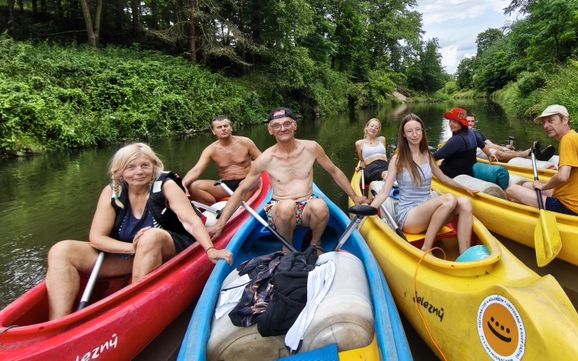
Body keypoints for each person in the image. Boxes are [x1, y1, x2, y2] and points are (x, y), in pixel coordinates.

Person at [44, 143, 232, 320]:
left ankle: (130, 310)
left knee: (150, 236)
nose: (139, 172)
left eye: (145, 165)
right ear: (120, 172)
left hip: (170, 247)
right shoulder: (113, 192)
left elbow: (190, 221)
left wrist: (210, 249)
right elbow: (97, 238)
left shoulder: (166, 185)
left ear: (154, 166)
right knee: (61, 250)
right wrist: (134, 248)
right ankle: (57, 325)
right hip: (130, 253)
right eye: (131, 167)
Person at [208, 107, 370, 252]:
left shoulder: (311, 147)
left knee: (320, 205)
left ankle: (315, 244)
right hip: (280, 208)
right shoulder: (265, 158)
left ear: (295, 125)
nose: (283, 129)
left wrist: (354, 196)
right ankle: (287, 248)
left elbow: (334, 171)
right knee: (287, 206)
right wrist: (221, 224)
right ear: (270, 130)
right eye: (276, 126)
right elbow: (242, 190)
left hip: (307, 205)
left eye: (287, 124)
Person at [370, 114, 475, 255]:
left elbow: (443, 178)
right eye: (410, 131)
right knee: (449, 199)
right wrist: (367, 213)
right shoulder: (397, 159)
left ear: (422, 131)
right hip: (409, 217)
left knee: (465, 203)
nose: (415, 134)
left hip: (429, 214)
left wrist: (465, 188)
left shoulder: (427, 155)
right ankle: (426, 248)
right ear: (404, 134)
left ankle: (465, 254)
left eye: (418, 130)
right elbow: (384, 192)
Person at [506, 105, 578, 217]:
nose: (546, 126)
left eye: (551, 121)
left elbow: (562, 176)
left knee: (512, 191)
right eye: (544, 122)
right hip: (577, 202)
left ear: (565, 120)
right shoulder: (576, 137)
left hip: (571, 208)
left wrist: (543, 186)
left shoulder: (568, 140)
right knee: (526, 185)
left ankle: (531, 218)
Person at [182, 116, 262, 206]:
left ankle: (238, 207)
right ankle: (215, 208)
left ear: (231, 128)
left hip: (246, 180)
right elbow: (196, 170)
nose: (223, 129)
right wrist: (183, 184)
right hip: (226, 185)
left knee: (252, 181)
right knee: (194, 187)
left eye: (226, 126)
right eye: (219, 127)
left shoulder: (245, 142)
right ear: (213, 131)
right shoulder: (211, 150)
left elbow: (263, 160)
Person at [433, 108, 493, 177]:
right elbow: (482, 145)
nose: (451, 124)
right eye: (450, 121)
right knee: (441, 162)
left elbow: (434, 157)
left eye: (454, 122)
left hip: (453, 175)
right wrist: (490, 155)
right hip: (469, 172)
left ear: (462, 124)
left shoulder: (457, 140)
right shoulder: (471, 132)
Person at [466, 111, 540, 163]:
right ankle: (526, 153)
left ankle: (533, 156)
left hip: (487, 147)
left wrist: (501, 147)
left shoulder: (478, 133)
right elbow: (474, 146)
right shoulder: (464, 134)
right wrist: (492, 147)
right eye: (468, 121)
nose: (470, 123)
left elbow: (490, 144)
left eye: (472, 121)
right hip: (477, 150)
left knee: (508, 150)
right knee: (499, 154)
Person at [355, 118, 389, 185]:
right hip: (371, 167)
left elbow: (384, 156)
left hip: (385, 165)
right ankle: (387, 177)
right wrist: (360, 167)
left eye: (376, 128)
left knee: (393, 171)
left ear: (378, 130)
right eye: (372, 126)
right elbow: (362, 160)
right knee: (386, 174)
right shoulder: (359, 143)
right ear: (367, 127)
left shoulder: (382, 139)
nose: (373, 129)